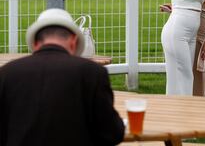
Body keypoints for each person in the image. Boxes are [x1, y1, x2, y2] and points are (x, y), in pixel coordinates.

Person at [0, 9, 125, 146]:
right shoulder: (93, 73)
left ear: (35, 44)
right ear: (73, 42)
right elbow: (112, 134)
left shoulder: (7, 73)